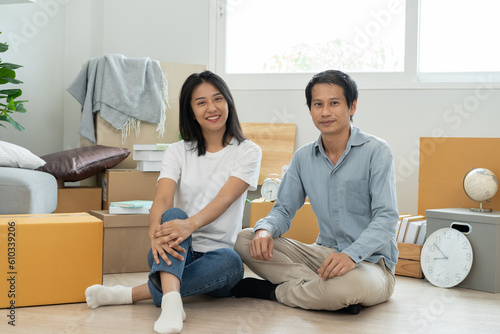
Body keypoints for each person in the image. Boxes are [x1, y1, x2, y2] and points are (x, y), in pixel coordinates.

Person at [85, 70, 262, 334]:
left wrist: (189, 225)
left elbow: (225, 199)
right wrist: (155, 234)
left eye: (217, 99)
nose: (211, 108)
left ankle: (131, 294)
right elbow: (162, 198)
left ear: (228, 103)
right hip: (175, 251)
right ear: (191, 111)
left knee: (231, 261)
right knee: (173, 213)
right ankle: (171, 302)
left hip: (217, 261)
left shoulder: (248, 151)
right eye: (201, 102)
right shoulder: (177, 151)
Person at [232, 69, 398, 314]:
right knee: (245, 240)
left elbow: (386, 219)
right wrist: (265, 230)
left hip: (371, 264)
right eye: (318, 104)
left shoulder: (377, 152)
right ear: (310, 109)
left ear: (351, 107)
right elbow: (284, 209)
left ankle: (274, 292)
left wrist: (351, 256)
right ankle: (323, 292)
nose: (325, 112)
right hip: (322, 254)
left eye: (334, 103)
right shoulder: (303, 158)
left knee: (347, 287)